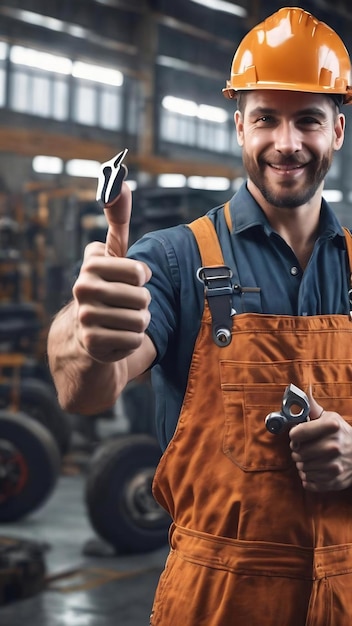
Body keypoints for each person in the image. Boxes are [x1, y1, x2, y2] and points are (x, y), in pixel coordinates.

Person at [47, 6, 352, 625]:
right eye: (266, 118)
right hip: (219, 602)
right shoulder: (175, 258)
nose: (287, 143)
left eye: (308, 121)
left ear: (337, 131)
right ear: (240, 126)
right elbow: (84, 388)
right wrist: (88, 335)